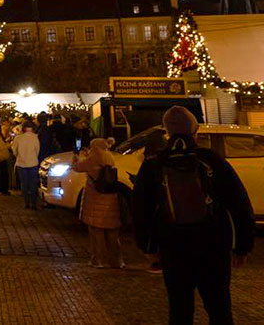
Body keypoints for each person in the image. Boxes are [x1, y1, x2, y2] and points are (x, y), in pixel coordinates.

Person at [132, 106, 254, 325]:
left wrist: (148, 248)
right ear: (194, 130)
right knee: (219, 307)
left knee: (179, 308)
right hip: (213, 244)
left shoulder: (154, 164)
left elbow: (142, 210)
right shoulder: (211, 160)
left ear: (167, 131)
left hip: (173, 245)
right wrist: (242, 246)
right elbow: (239, 203)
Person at [69, 137, 124, 268]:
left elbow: (76, 167)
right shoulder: (109, 158)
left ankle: (98, 260)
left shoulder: (92, 160)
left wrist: (76, 157)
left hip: (95, 201)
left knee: (96, 233)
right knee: (112, 234)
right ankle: (117, 260)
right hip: (110, 203)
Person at [11, 123, 41, 210]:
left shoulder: (18, 138)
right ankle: (33, 203)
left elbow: (14, 151)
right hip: (33, 162)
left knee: (24, 183)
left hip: (22, 162)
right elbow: (37, 150)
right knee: (33, 183)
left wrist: (18, 155)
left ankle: (26, 202)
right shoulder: (35, 137)